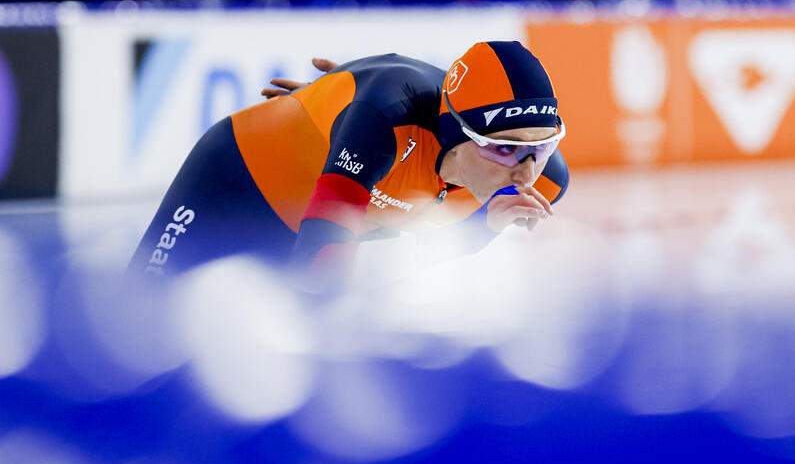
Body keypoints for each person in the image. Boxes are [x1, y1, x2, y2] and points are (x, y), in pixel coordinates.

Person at [128, 40, 569, 290]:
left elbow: (384, 266)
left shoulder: (545, 181)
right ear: (460, 132)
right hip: (238, 179)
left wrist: (477, 231)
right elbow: (321, 268)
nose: (527, 173)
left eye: (542, 148)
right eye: (505, 148)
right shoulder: (385, 119)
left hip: (337, 211)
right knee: (140, 314)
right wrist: (347, 117)